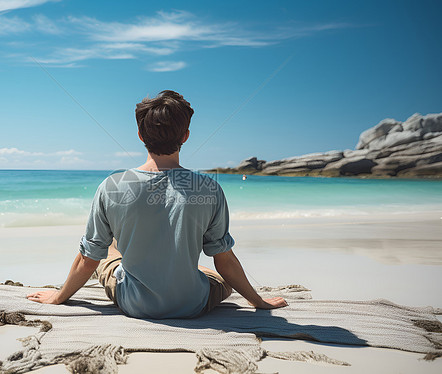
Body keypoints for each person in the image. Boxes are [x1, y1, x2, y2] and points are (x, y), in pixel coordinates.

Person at [27, 90, 287, 318]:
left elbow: (88, 259)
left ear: (140, 135)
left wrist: (58, 297)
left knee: (109, 248)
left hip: (134, 304)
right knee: (219, 277)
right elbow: (225, 260)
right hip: (192, 305)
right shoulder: (209, 188)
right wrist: (258, 302)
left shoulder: (112, 186)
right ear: (185, 136)